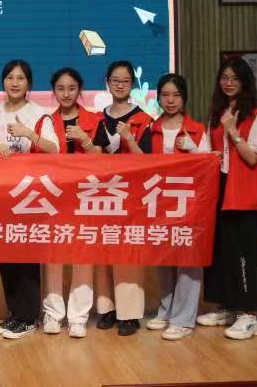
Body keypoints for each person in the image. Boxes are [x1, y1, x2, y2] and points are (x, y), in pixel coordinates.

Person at [0, 59, 59, 340]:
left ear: (29, 84)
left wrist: (29, 134)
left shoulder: (40, 114)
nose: (14, 83)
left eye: (21, 78)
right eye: (10, 77)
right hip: (1, 195)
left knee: (26, 257)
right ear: (3, 81)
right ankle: (15, 314)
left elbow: (54, 149)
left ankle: (28, 317)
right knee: (5, 257)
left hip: (30, 195)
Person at [197, 58, 257, 340]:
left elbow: (253, 158)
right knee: (220, 250)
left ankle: (249, 313)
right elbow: (208, 153)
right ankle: (227, 306)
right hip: (219, 188)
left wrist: (234, 132)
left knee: (243, 251)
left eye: (235, 78)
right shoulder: (216, 114)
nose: (228, 83)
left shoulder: (255, 116)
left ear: (245, 82)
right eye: (224, 77)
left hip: (242, 191)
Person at [138, 74, 211, 341]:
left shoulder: (197, 130)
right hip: (159, 204)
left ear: (184, 97)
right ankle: (166, 310)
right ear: (158, 97)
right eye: (165, 95)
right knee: (164, 260)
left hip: (190, 206)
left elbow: (210, 167)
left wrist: (194, 150)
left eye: (176, 95)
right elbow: (140, 166)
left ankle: (184, 319)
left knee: (188, 261)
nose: (170, 100)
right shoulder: (150, 128)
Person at [35, 67, 102, 339]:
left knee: (82, 255)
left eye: (71, 88)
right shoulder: (46, 121)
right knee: (53, 255)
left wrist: (85, 141)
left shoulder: (94, 119)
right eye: (60, 88)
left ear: (79, 90)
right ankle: (53, 313)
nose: (66, 93)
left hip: (85, 195)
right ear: (54, 90)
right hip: (54, 196)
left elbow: (102, 160)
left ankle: (78, 317)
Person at [91, 60, 152, 336]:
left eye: (125, 81)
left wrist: (129, 139)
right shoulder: (97, 119)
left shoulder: (144, 120)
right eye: (115, 80)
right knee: (103, 252)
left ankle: (130, 314)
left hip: (132, 196)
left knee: (128, 254)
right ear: (107, 82)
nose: (120, 85)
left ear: (132, 84)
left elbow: (148, 163)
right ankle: (107, 309)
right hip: (102, 194)